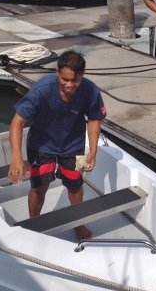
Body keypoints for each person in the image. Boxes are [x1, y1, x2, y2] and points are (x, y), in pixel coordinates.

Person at [7, 51, 107, 241]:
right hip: (41, 145)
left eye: (75, 81)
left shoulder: (90, 90)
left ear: (82, 74)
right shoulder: (42, 89)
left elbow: (94, 119)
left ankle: (78, 222)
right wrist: (16, 157)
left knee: (76, 185)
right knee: (39, 187)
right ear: (57, 72)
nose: (69, 85)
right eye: (65, 79)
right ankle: (34, 224)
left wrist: (93, 150)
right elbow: (17, 122)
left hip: (75, 144)